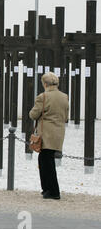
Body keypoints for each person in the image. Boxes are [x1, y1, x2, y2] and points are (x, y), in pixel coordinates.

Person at [29, 72, 69, 200]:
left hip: (46, 132)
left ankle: (53, 191)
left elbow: (33, 114)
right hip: (59, 132)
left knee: (46, 162)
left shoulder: (43, 96)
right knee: (47, 159)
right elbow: (66, 116)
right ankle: (47, 189)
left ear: (45, 83)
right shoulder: (64, 96)